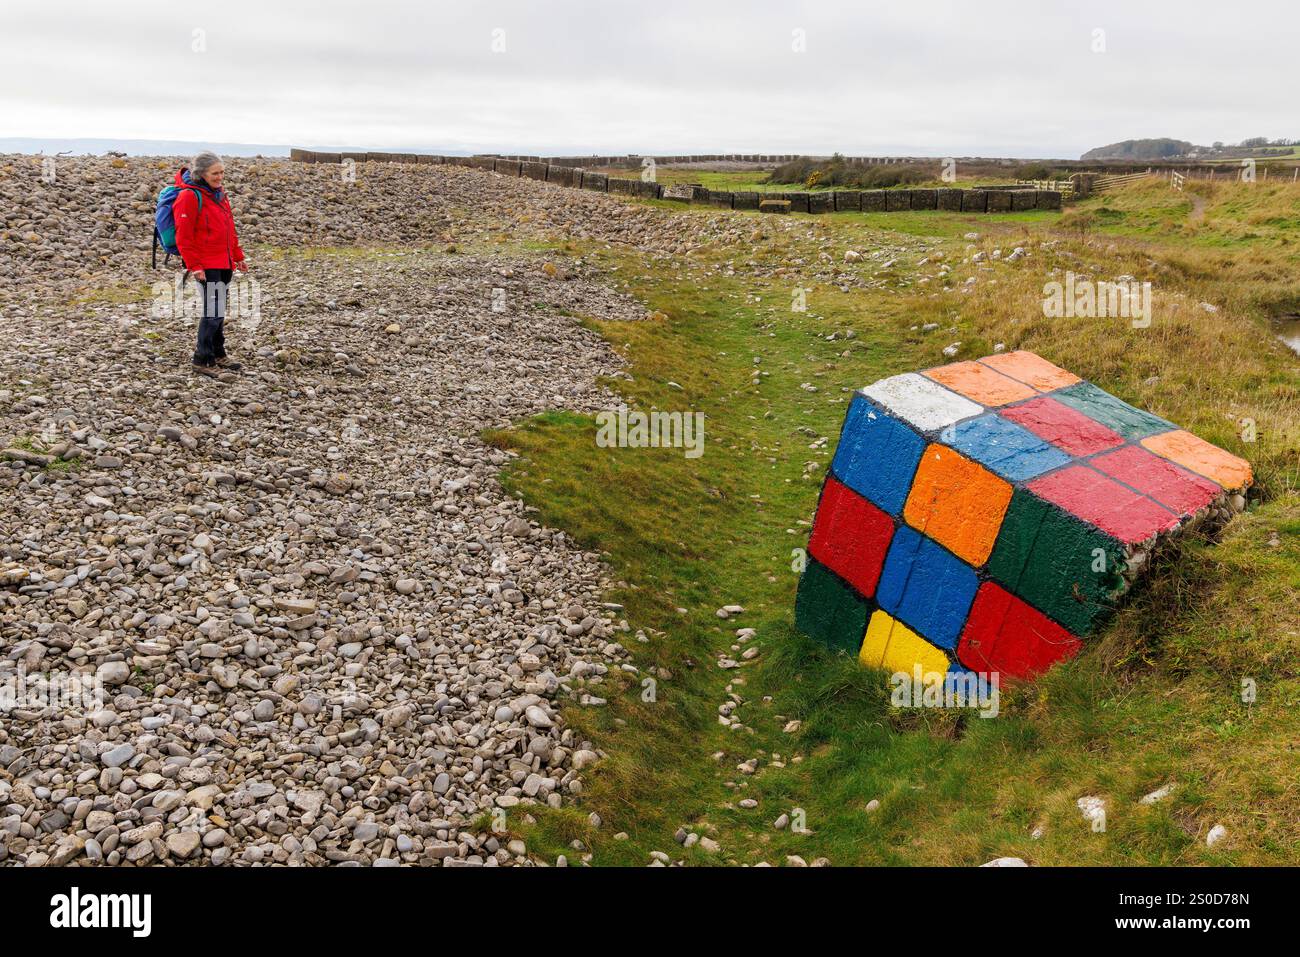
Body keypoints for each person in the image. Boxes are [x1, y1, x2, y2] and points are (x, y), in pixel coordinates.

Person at [173, 151, 248, 376]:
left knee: (218, 310)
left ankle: (218, 353)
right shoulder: (188, 197)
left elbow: (229, 229)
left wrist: (238, 256)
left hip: (223, 262)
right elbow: (183, 237)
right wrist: (195, 266)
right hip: (206, 265)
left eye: (222, 172)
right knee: (212, 311)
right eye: (215, 173)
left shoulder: (219, 195)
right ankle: (202, 360)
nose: (220, 177)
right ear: (201, 173)